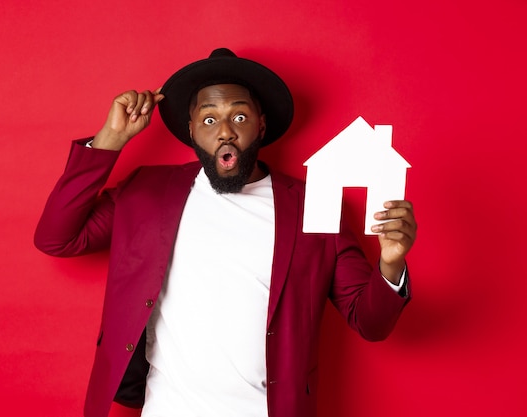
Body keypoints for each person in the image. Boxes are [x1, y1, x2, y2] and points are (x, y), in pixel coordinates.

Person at [34, 48, 417, 417]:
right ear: (191, 131)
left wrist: (391, 263)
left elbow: (370, 322)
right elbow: (58, 237)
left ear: (261, 125)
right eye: (209, 119)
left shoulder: (313, 206)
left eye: (238, 117)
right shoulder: (147, 192)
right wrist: (110, 139)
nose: (224, 132)